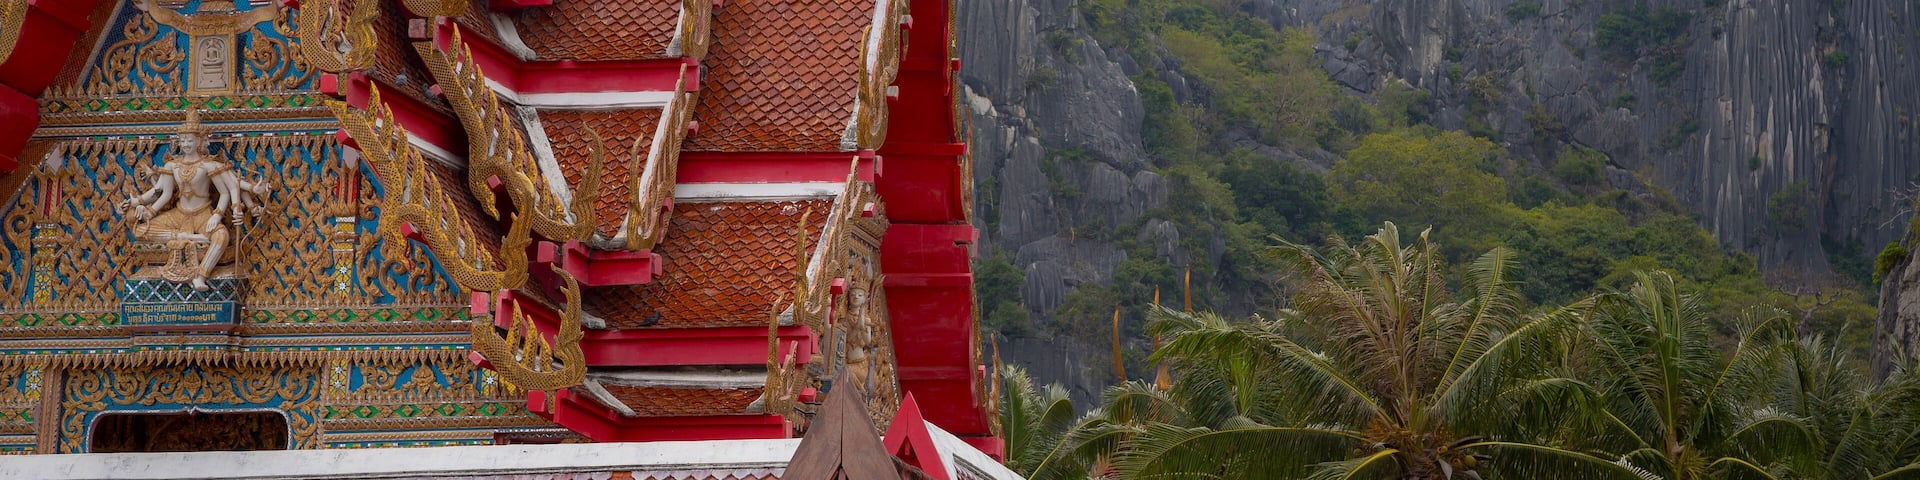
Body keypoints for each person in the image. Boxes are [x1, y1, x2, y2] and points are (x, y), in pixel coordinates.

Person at [121, 110, 270, 290]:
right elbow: (160, 192)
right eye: (183, 140)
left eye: (190, 140)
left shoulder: (207, 166)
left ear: (199, 141)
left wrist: (217, 215)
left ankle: (201, 275)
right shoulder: (172, 166)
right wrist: (137, 205)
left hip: (203, 215)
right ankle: (188, 237)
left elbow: (225, 192)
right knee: (140, 229)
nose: (186, 144)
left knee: (222, 235)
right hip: (177, 215)